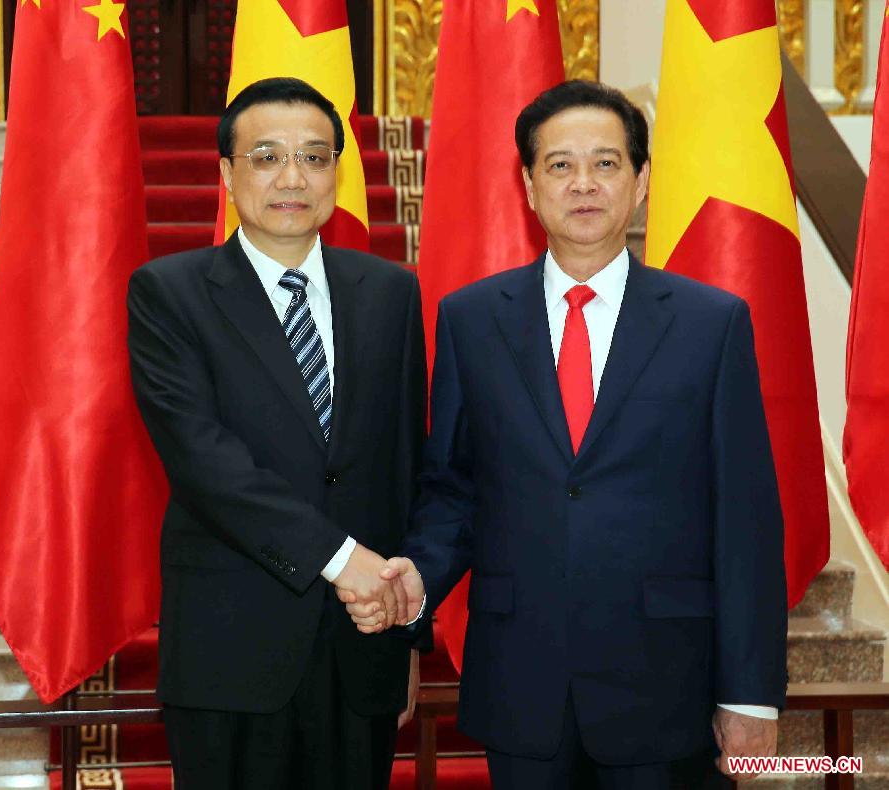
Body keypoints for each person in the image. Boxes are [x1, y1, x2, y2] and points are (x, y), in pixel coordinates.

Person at [344, 80, 788, 789]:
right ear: (527, 184)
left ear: (641, 181)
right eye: (559, 165)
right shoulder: (471, 319)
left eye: (606, 164)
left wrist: (749, 692)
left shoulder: (712, 325)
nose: (583, 183)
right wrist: (417, 579)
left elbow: (746, 520)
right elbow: (454, 492)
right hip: (523, 683)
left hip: (665, 686)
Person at [127, 77, 427, 790]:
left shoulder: (390, 292)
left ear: (336, 174)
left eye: (315, 157)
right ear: (228, 174)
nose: (293, 177)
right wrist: (340, 558)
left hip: (365, 645)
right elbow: (206, 463)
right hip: (232, 650)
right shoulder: (168, 292)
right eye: (267, 157)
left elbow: (404, 466)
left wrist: (406, 630)